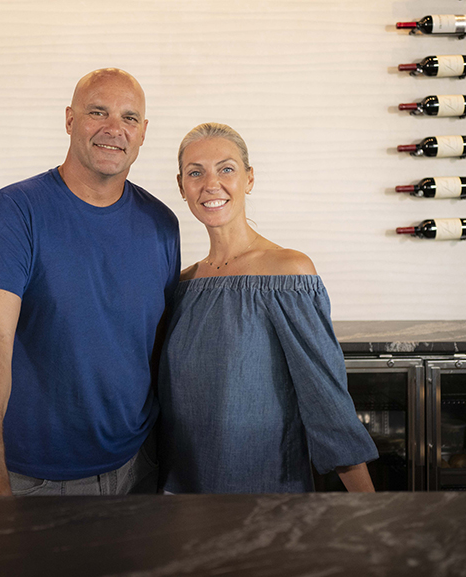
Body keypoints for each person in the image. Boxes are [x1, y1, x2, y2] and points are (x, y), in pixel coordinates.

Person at [0, 69, 180, 496]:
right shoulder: (15, 211)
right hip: (33, 478)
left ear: (144, 132)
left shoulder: (161, 225)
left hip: (139, 467)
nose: (114, 129)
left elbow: (158, 347)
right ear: (69, 119)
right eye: (98, 112)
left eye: (129, 118)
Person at [158, 122, 377, 493]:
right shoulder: (181, 286)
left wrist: (368, 506)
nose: (211, 184)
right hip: (181, 496)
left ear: (249, 179)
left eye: (226, 168)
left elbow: (325, 398)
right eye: (196, 173)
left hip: (265, 493)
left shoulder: (288, 272)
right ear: (182, 186)